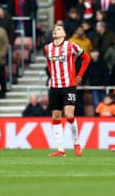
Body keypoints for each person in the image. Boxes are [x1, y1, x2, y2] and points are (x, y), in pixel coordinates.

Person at [44, 23, 91, 157]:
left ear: (64, 34)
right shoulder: (48, 49)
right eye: (54, 29)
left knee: (69, 115)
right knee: (56, 116)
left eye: (58, 29)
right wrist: (53, 75)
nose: (55, 30)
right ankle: (61, 149)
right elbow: (49, 64)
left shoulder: (71, 46)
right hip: (54, 86)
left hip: (69, 85)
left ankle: (76, 143)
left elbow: (87, 58)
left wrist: (80, 76)